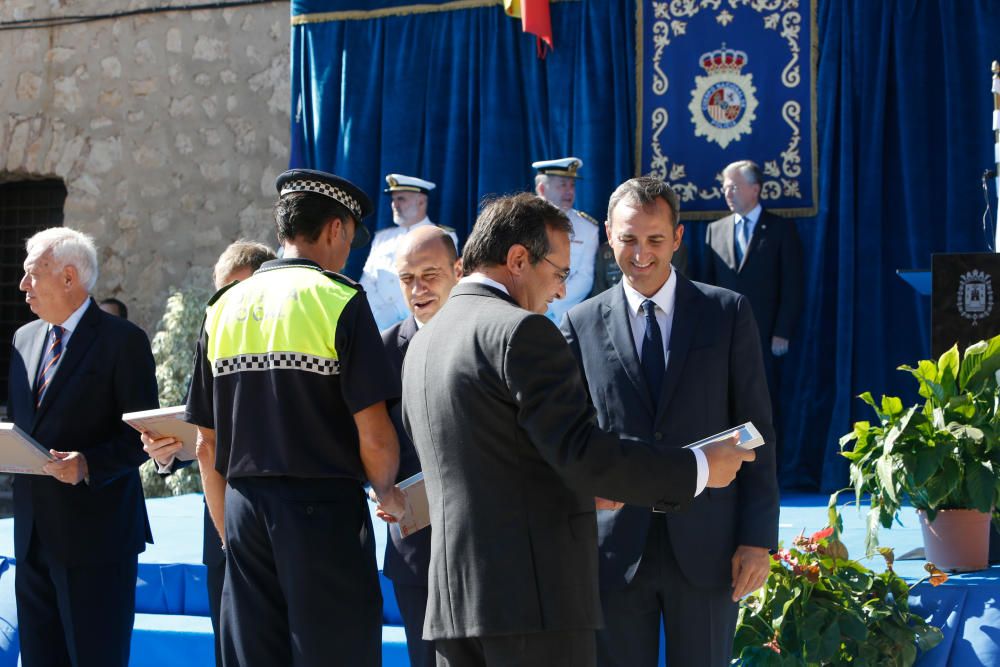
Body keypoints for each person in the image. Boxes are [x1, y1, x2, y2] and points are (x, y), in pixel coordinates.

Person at [399, 192, 755, 667]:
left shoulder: (426, 341)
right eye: (559, 272)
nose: (562, 291)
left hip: (453, 603)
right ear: (519, 259)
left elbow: (503, 463)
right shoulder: (521, 332)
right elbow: (582, 451)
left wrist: (579, 491)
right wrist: (699, 466)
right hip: (532, 605)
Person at [185, 169, 406, 666]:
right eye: (348, 238)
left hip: (243, 510)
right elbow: (373, 432)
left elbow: (206, 446)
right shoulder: (339, 299)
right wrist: (388, 489)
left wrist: (228, 533)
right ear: (334, 230)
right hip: (321, 513)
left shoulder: (221, 308)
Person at [560, 177, 779, 667]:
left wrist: (757, 539)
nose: (641, 253)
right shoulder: (580, 323)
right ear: (609, 239)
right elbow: (573, 440)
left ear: (677, 238)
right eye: (629, 239)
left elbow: (756, 429)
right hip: (615, 553)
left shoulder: (727, 313)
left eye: (655, 240)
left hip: (709, 548)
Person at [8, 227, 158, 666]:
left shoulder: (122, 341)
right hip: (33, 537)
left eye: (32, 275)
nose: (23, 286)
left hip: (97, 541)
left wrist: (88, 465)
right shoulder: (23, 339)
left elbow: (142, 437)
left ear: (69, 278)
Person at [141, 239, 276, 667]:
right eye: (220, 293)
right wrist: (163, 451)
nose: (227, 305)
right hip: (221, 528)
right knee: (229, 648)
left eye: (238, 291)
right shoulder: (212, 345)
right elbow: (199, 434)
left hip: (280, 523)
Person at [381, 226, 462, 667]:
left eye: (430, 274)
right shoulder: (383, 351)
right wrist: (379, 485)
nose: (418, 288)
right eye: (406, 278)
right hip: (417, 549)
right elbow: (368, 439)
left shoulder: (491, 338)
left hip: (486, 550)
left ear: (459, 271)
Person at [702, 160, 803, 392]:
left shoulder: (781, 229)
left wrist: (782, 332)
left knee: (763, 399)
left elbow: (792, 285)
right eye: (725, 188)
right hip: (724, 335)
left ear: (755, 189)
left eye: (734, 187)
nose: (727, 193)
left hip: (765, 335)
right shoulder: (714, 230)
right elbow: (707, 286)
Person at [361, 173, 459, 330]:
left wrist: (395, 312)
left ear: (421, 201)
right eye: (393, 200)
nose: (394, 205)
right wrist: (374, 316)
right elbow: (367, 282)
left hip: (421, 326)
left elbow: (443, 281)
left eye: (401, 199)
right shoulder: (382, 238)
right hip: (376, 327)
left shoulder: (441, 236)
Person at [533, 157, 599, 322]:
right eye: (562, 185)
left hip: (562, 317)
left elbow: (585, 278)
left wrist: (549, 306)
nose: (569, 191)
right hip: (522, 309)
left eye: (572, 185)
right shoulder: (520, 221)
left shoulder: (588, 229)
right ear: (542, 189)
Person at [590, 238, 688, 297]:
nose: (640, 257)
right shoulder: (605, 252)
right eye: (628, 239)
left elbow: (682, 292)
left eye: (655, 239)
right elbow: (599, 295)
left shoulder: (674, 248)